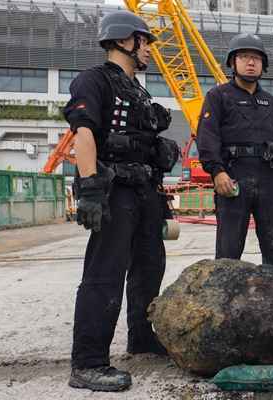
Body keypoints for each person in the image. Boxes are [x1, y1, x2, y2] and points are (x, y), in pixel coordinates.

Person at [63, 10, 179, 392]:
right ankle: (88, 362)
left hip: (145, 191)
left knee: (149, 266)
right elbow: (84, 134)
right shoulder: (93, 81)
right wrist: (91, 189)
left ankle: (142, 338)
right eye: (144, 42)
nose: (148, 49)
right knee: (104, 274)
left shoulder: (138, 90)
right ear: (124, 40)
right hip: (114, 191)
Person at [196, 33, 273, 265]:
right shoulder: (218, 96)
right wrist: (217, 171)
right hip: (234, 178)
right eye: (244, 57)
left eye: (256, 58)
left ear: (263, 65)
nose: (251, 62)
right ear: (233, 62)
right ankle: (225, 298)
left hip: (268, 179)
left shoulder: (270, 101)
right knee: (228, 251)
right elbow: (207, 136)